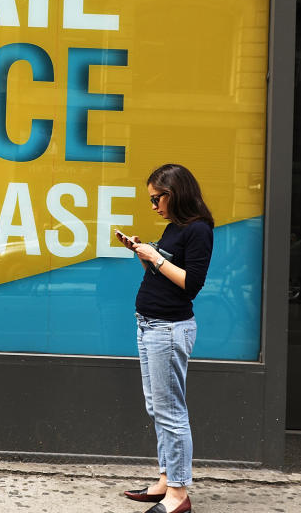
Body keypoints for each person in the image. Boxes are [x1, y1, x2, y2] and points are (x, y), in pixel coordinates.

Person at [115, 164, 214, 513]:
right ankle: (165, 480)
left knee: (171, 412)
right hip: (149, 324)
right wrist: (143, 254)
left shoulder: (199, 230)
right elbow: (165, 274)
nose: (154, 206)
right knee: (158, 407)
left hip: (168, 329)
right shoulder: (175, 228)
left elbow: (191, 284)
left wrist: (154, 256)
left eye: (157, 198)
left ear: (175, 193)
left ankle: (178, 494)